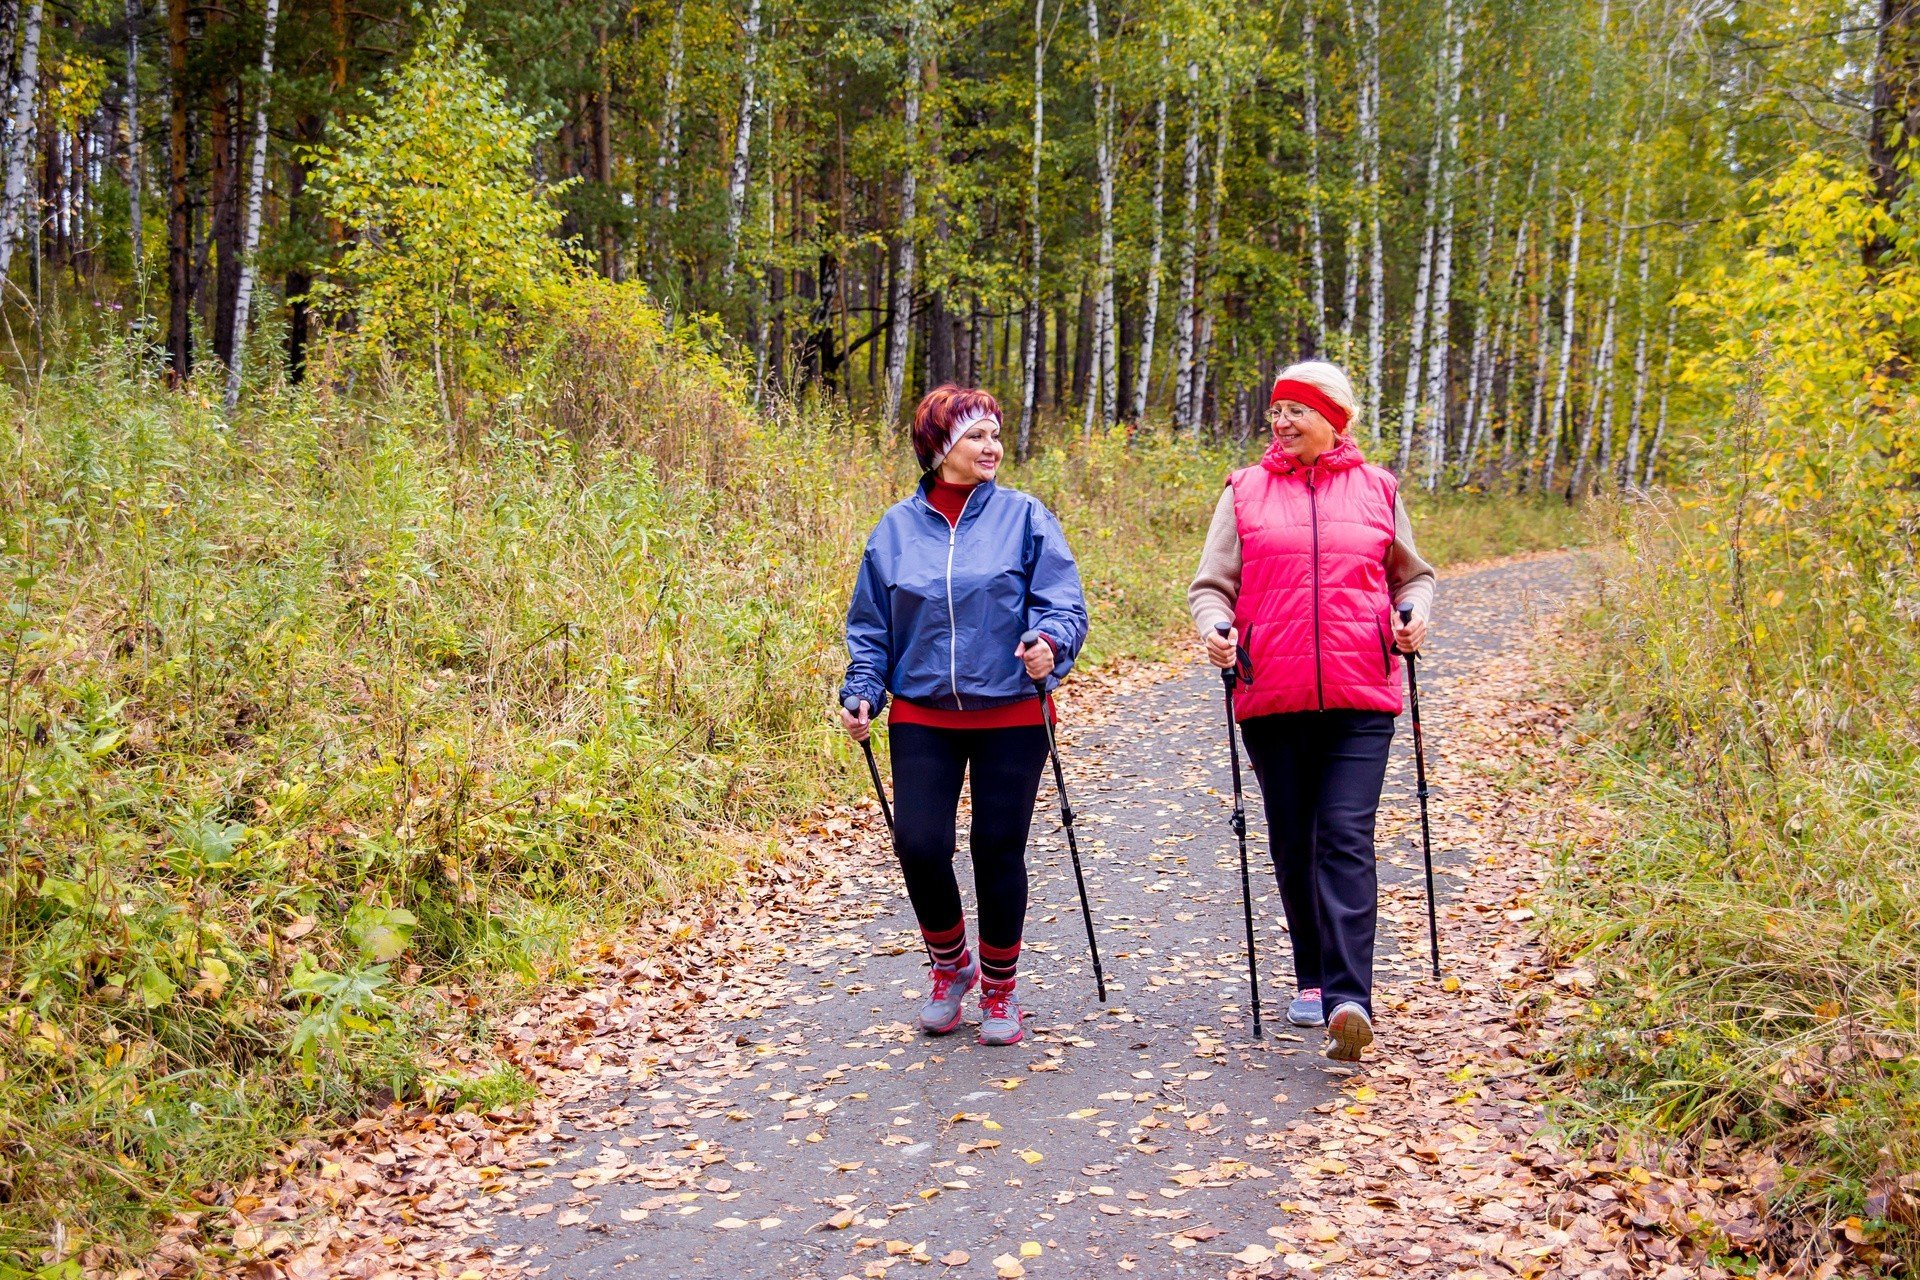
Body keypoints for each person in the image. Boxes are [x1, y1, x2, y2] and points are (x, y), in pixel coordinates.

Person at [1189, 360, 1436, 1062]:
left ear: (1335, 419)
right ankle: (1310, 974)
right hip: (1273, 693)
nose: (1282, 421)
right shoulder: (1244, 492)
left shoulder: (1378, 489)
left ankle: (1349, 997)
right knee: (1294, 841)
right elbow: (1212, 586)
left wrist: (1413, 613)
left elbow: (1411, 574)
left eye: (1296, 410)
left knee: (1346, 837)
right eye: (1276, 410)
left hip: (1362, 693)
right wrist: (1215, 629)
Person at [840, 385, 1090, 1047]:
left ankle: (1001, 990)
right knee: (919, 845)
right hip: (923, 711)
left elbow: (1064, 603)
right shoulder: (894, 530)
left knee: (996, 849)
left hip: (1010, 709)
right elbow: (871, 628)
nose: (992, 447)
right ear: (939, 446)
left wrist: (1051, 644)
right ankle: (951, 967)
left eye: (995, 435)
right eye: (976, 435)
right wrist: (863, 688)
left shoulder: (1026, 517)